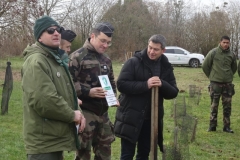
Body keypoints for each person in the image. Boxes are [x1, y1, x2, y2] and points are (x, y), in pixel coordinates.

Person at [21, 15, 86, 160]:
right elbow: (45, 100)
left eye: (58, 30)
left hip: (54, 138)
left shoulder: (55, 60)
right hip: (43, 143)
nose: (56, 33)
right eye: (50, 30)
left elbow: (67, 92)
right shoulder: (36, 61)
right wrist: (72, 115)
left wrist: (78, 112)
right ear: (39, 37)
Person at [114, 34, 179, 159]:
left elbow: (174, 92)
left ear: (163, 50)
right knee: (127, 155)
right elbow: (121, 85)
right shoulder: (133, 62)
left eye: (156, 49)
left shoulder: (165, 66)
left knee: (144, 154)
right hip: (131, 117)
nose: (151, 52)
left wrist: (162, 84)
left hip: (151, 120)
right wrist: (146, 84)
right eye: (150, 47)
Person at [69, 22, 118, 160]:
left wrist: (113, 98)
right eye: (103, 41)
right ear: (92, 36)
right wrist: (88, 92)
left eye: (108, 42)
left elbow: (112, 82)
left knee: (105, 152)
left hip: (103, 114)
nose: (105, 45)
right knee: (83, 153)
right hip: (85, 112)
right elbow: (68, 84)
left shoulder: (106, 59)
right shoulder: (77, 57)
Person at [202, 35, 237, 133]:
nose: (226, 44)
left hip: (227, 84)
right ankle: (212, 126)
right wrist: (212, 76)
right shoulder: (213, 53)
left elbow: (234, 68)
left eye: (227, 43)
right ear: (220, 42)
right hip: (215, 84)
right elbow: (205, 66)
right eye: (224, 42)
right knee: (214, 105)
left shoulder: (232, 54)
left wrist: (228, 76)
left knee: (227, 106)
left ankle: (226, 127)